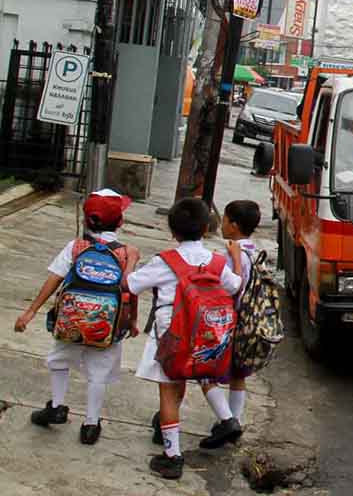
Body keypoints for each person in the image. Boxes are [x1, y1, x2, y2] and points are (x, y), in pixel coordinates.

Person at [126, 198, 242, 480]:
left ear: (173, 232)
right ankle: (227, 419)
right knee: (198, 379)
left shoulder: (164, 261)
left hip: (171, 334)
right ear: (205, 229)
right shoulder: (215, 261)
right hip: (207, 335)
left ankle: (172, 456)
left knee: (169, 391)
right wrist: (236, 260)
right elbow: (235, 286)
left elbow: (129, 285)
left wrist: (130, 261)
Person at [13, 189, 140, 445]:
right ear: (121, 222)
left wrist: (31, 311)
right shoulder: (127, 252)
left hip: (71, 322)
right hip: (107, 326)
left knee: (58, 360)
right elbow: (128, 290)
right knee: (98, 373)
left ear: (84, 220)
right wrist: (132, 321)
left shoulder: (76, 247)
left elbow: (55, 278)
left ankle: (57, 407)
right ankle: (91, 425)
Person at [197, 200, 262, 450]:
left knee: (204, 371)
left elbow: (228, 286)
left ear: (234, 225)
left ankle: (228, 421)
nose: (221, 223)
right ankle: (236, 419)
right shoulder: (255, 250)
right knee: (238, 374)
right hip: (248, 323)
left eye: (224, 219)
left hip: (227, 322)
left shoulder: (233, 254)